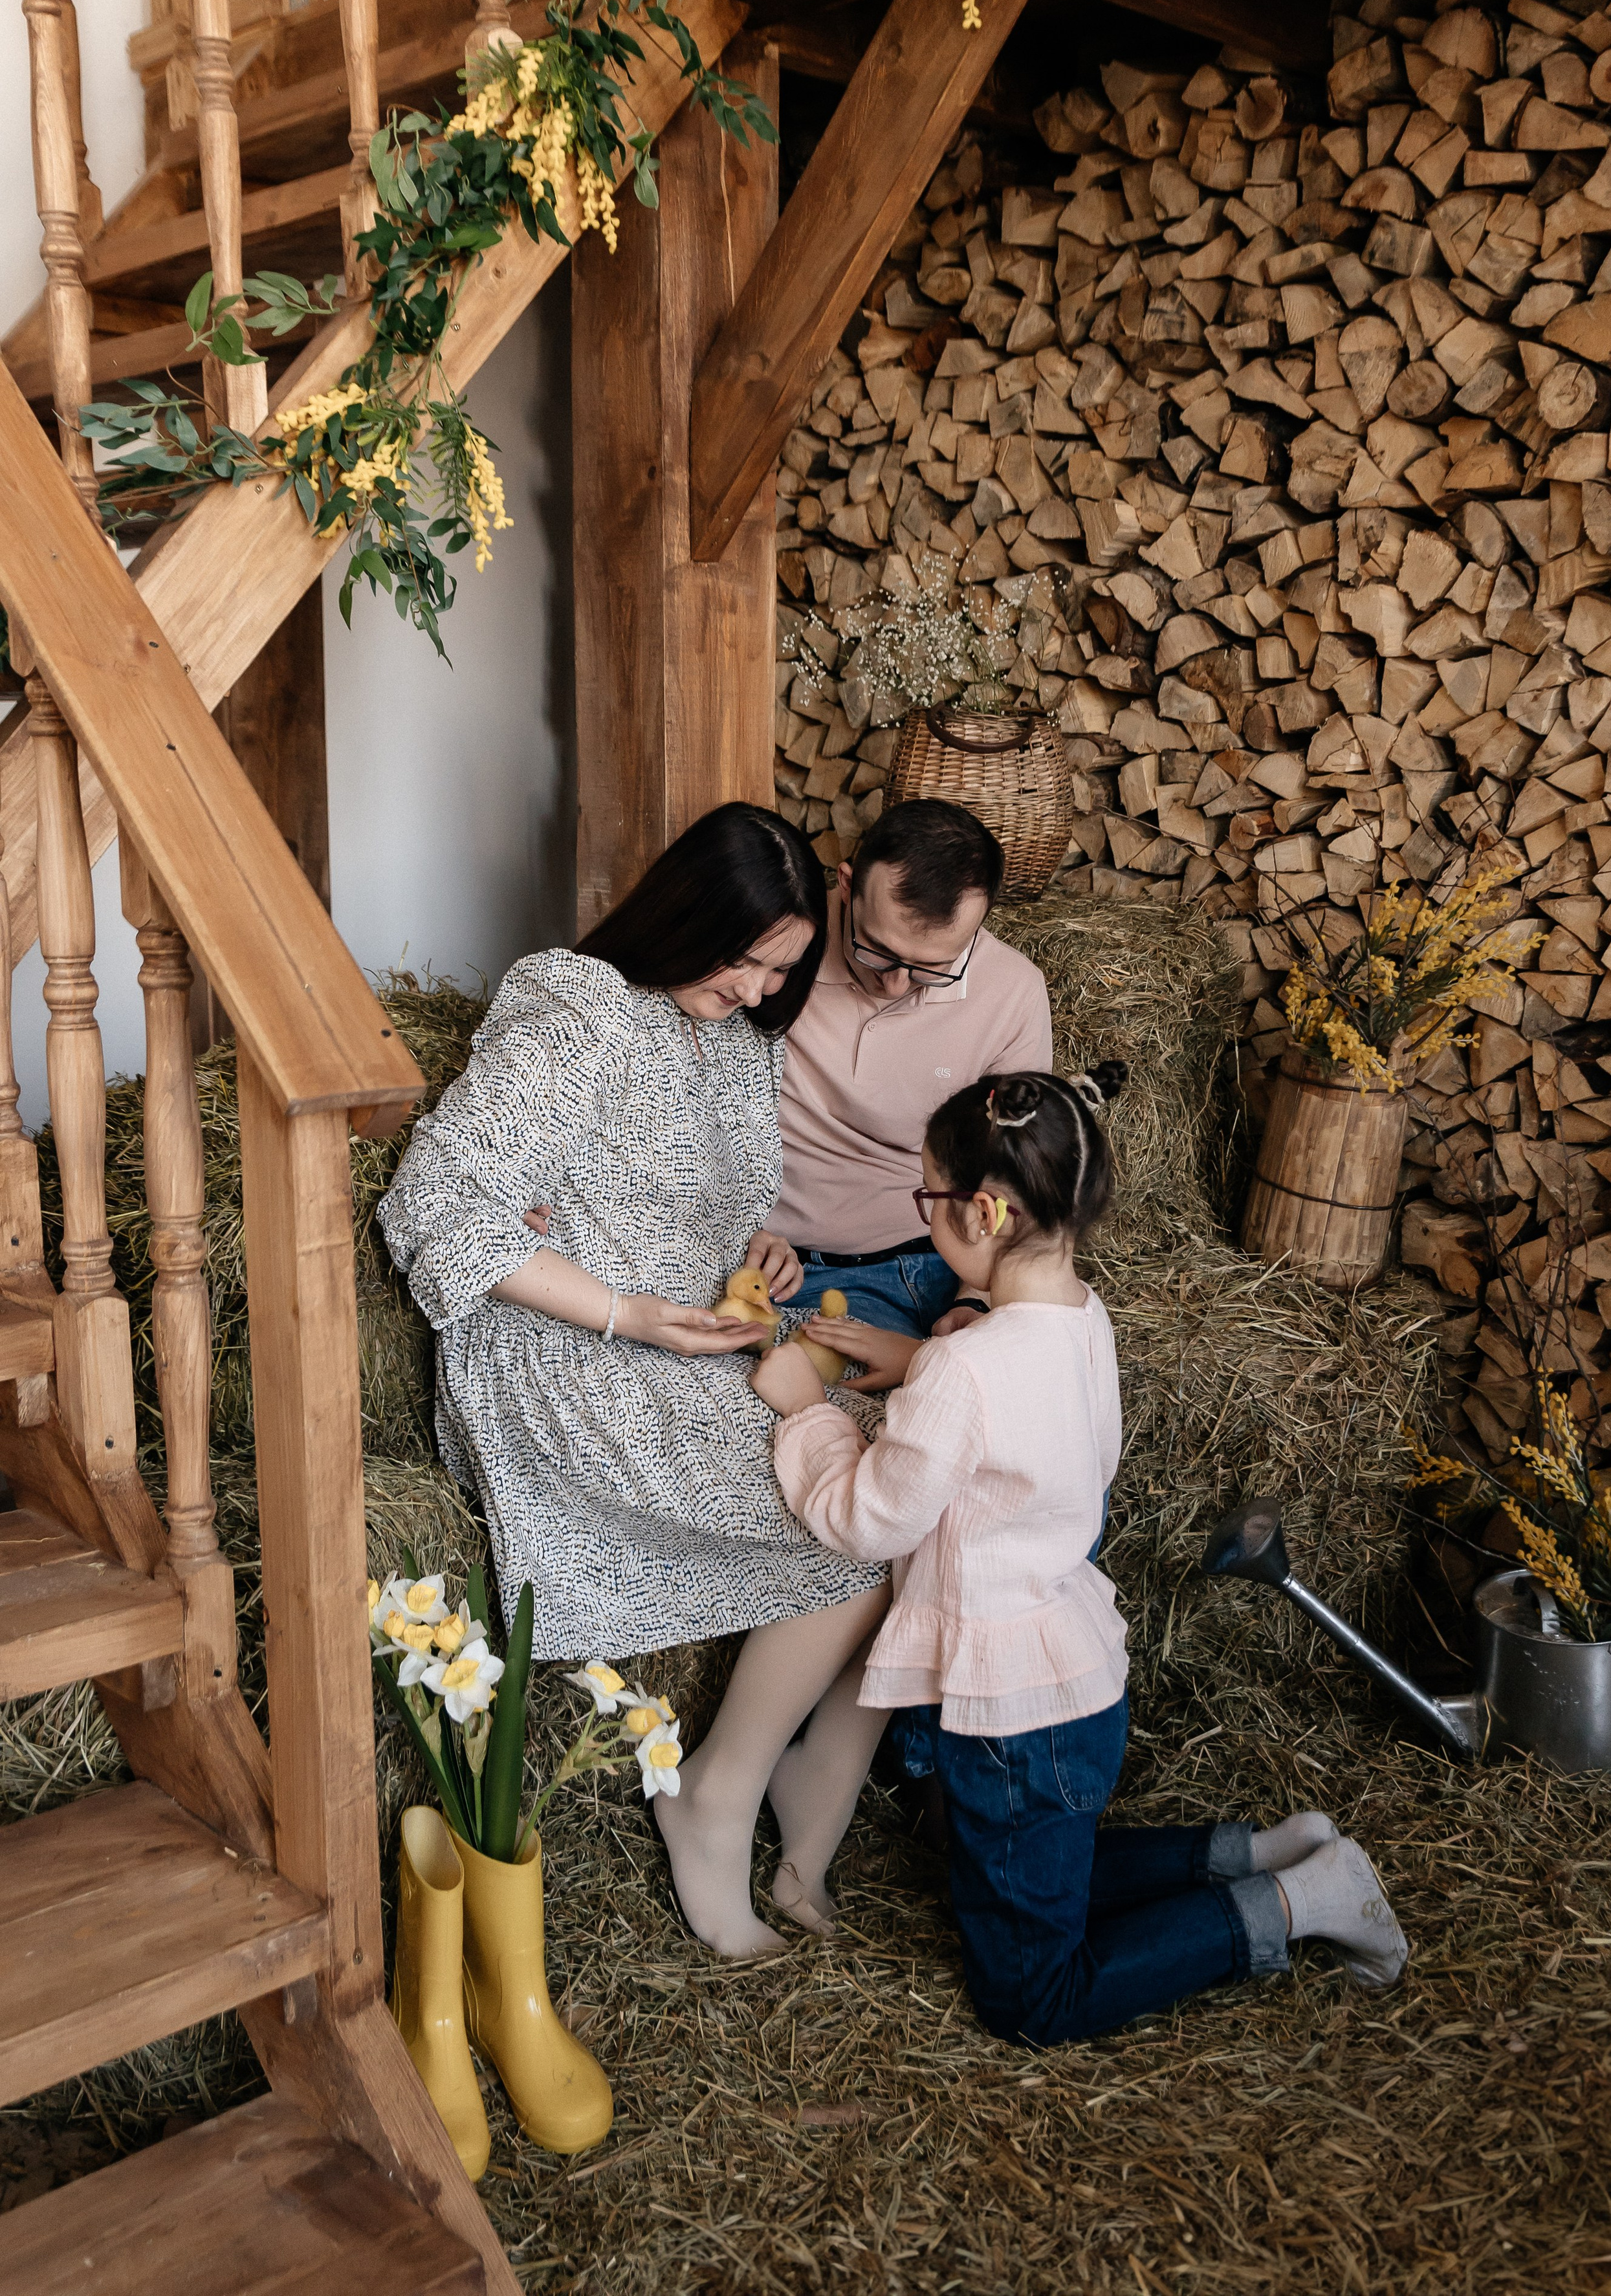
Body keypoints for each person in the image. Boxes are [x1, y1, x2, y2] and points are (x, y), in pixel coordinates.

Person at [752, 1066, 1410, 2042]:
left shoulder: (965, 1371)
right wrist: (916, 1362)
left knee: (1032, 1997)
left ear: (982, 1211)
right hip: (1073, 1678)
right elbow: (991, 1404)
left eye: (928, 1198)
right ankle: (1260, 1852)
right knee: (1030, 1862)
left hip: (1015, 1718)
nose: (922, 1214)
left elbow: (868, 1520)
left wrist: (807, 1416)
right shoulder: (1078, 1317)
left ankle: (1300, 1902)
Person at [378, 802, 890, 1958]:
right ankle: (714, 1798)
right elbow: (431, 1206)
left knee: (906, 1480)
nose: (765, 990)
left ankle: (808, 1782)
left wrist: (759, 1256)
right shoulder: (579, 1010)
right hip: (570, 1357)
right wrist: (625, 1310)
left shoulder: (740, 1037)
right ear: (685, 917)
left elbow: (687, 1206)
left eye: (784, 969)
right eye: (748, 959)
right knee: (854, 1520)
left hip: (689, 1336)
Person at [767, 798, 1053, 1392]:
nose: (894, 982)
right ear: (846, 886)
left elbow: (1014, 1169)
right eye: (876, 948)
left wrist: (977, 1300)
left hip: (959, 1262)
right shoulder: (780, 951)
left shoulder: (1014, 990)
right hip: (809, 1270)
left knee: (1042, 1416)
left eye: (931, 968)